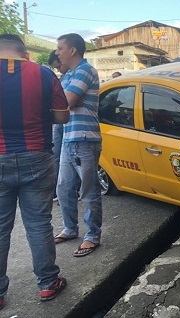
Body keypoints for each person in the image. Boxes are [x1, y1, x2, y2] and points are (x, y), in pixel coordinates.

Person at [0, 34, 69, 307]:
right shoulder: (43, 73)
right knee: (39, 224)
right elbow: (63, 116)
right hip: (37, 155)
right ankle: (48, 284)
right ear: (24, 53)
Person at [54, 33, 103, 257]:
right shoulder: (68, 76)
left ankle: (92, 235)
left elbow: (65, 103)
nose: (57, 52)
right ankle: (70, 228)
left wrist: (62, 101)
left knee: (89, 191)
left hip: (85, 139)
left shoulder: (85, 70)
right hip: (68, 139)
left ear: (72, 50)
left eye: (60, 48)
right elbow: (56, 104)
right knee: (64, 188)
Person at [48, 50, 70, 202]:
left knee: (64, 158)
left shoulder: (77, 75)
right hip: (60, 125)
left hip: (69, 124)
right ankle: (57, 191)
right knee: (56, 156)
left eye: (59, 65)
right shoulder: (63, 78)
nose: (59, 70)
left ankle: (68, 190)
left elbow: (69, 102)